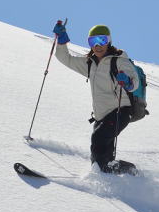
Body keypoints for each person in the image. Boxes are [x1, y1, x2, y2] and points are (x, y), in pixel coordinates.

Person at [52, 21, 140, 174]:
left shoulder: (119, 61)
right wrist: (61, 40)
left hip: (121, 111)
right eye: (93, 41)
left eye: (102, 40)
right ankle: (123, 172)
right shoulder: (90, 64)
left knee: (98, 139)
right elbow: (66, 59)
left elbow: (135, 83)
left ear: (109, 41)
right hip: (101, 116)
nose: (98, 45)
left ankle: (98, 176)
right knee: (104, 154)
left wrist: (127, 81)